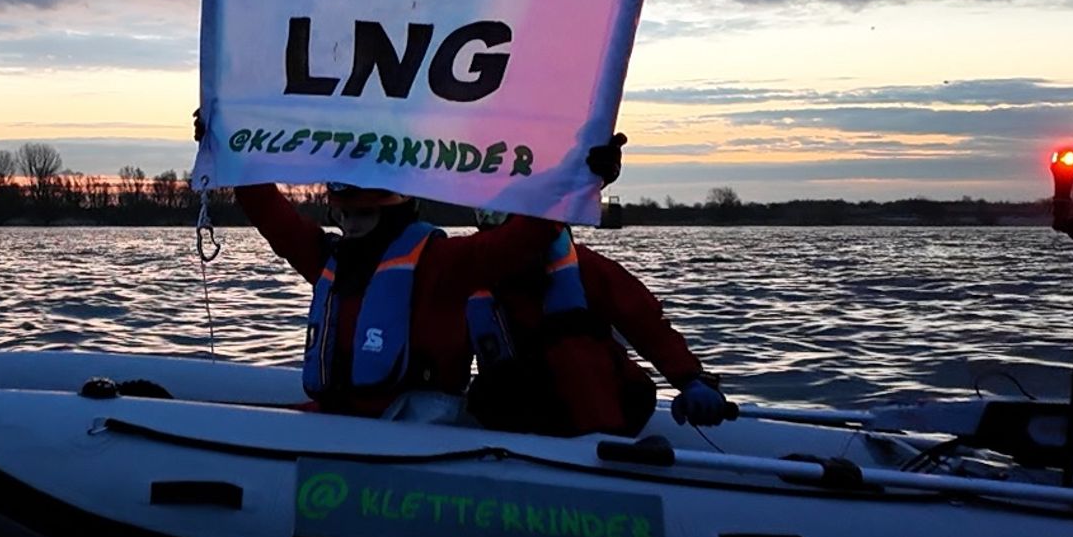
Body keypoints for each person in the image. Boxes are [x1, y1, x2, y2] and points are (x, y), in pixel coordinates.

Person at [195, 111, 588, 417]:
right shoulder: (330, 259)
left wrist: (582, 176)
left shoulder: (442, 263)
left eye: (363, 216)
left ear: (395, 214)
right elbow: (273, 217)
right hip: (339, 422)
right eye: (343, 216)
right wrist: (228, 149)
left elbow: (519, 241)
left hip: (418, 433)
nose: (350, 227)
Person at [465, 134, 737, 436]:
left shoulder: (585, 268)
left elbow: (648, 325)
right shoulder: (465, 271)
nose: (493, 223)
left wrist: (690, 379)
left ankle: (601, 443)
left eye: (502, 213)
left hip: (611, 408)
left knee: (572, 339)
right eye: (486, 212)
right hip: (520, 412)